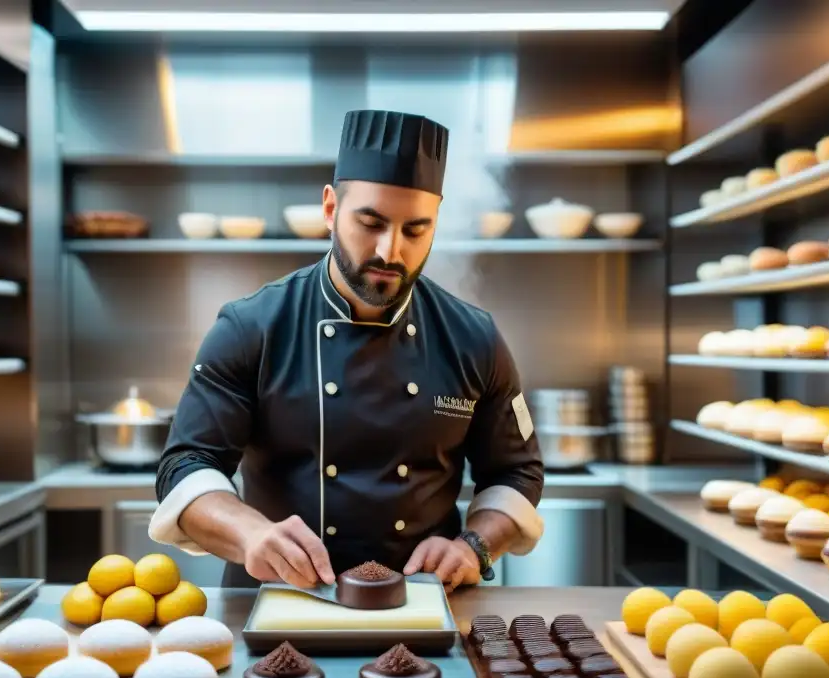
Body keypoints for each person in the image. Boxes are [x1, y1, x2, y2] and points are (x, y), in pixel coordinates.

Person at [149, 109, 544, 593]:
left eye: (415, 230)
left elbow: (516, 470)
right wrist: (250, 533)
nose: (389, 251)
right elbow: (186, 464)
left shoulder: (473, 336)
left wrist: (474, 545)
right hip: (279, 600)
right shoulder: (251, 326)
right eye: (371, 222)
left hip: (425, 605)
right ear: (331, 208)